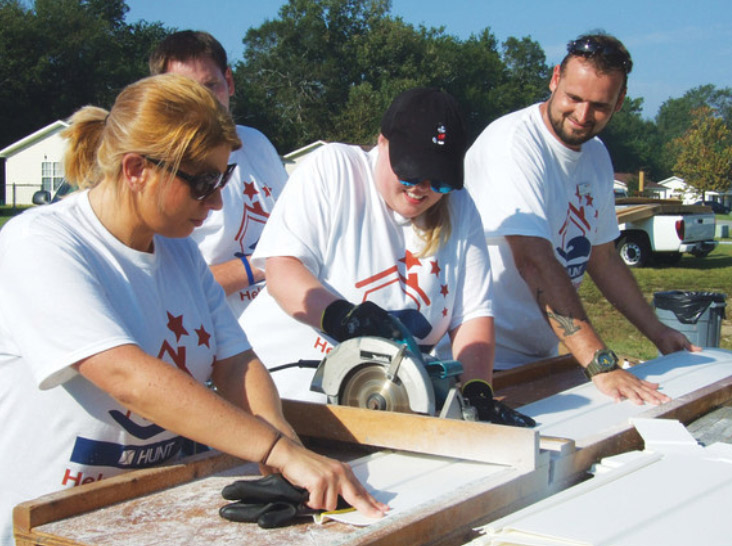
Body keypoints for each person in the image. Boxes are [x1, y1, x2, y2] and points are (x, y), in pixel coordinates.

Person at [0, 73, 385, 545]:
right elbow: (125, 376)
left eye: (223, 178)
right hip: (46, 525)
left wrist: (286, 449)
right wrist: (275, 450)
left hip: (147, 515)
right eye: (203, 182)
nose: (218, 201)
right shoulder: (40, 242)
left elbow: (236, 363)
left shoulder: (180, 251)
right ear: (136, 169)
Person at [241, 87, 533, 427]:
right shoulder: (335, 169)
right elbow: (282, 271)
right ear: (382, 142)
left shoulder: (460, 206)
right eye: (410, 173)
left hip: (376, 410)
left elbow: (472, 315)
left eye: (439, 182)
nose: (421, 189)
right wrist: (344, 318)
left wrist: (477, 392)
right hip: (277, 399)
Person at [464, 33, 699, 405]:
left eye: (599, 106)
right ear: (555, 78)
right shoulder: (514, 144)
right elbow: (533, 261)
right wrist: (601, 363)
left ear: (620, 102)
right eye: (573, 98)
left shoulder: (596, 155)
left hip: (539, 359)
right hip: (479, 362)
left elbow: (603, 258)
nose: (583, 116)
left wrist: (659, 333)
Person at [149, 30, 288, 321]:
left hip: (287, 321)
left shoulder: (257, 143)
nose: (203, 102)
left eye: (211, 86)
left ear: (229, 81)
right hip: (216, 334)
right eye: (186, 92)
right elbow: (168, 286)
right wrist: (268, 263)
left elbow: (296, 228)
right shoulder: (159, 171)